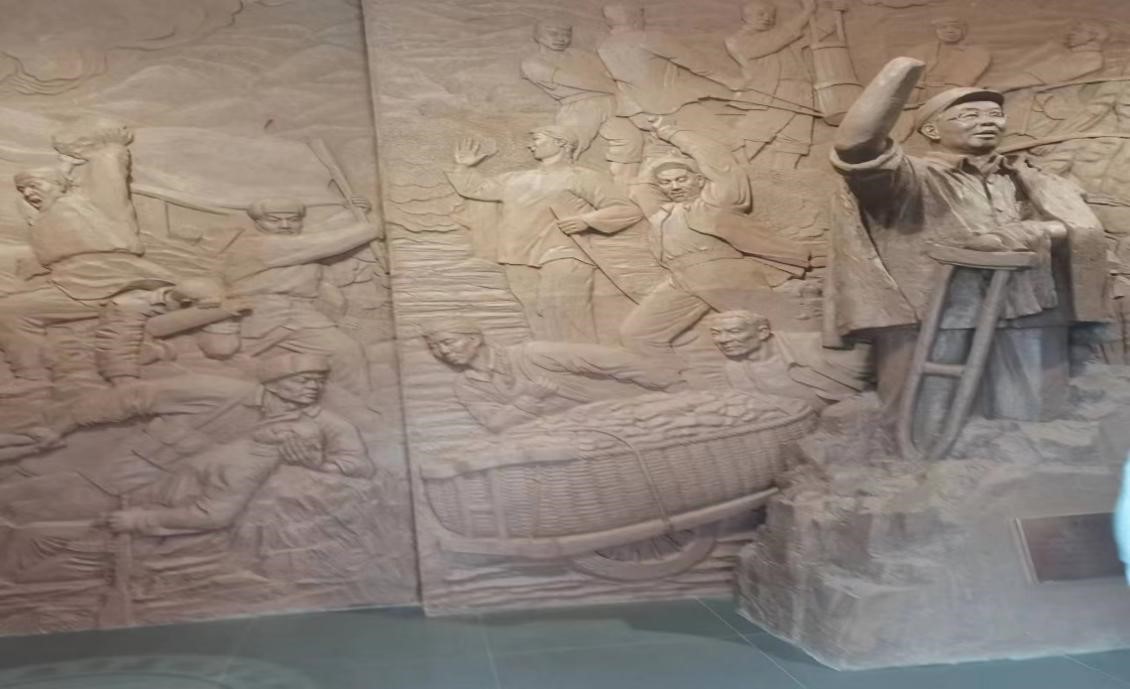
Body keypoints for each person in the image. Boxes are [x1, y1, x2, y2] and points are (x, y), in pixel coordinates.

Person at [825, 57, 1109, 424]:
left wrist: (1038, 231)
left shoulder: (1030, 176)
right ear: (931, 130)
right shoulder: (907, 177)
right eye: (969, 115)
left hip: (1028, 302)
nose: (987, 121)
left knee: (1037, 415)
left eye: (994, 114)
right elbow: (856, 147)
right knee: (926, 423)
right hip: (935, 310)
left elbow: (1076, 225)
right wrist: (899, 73)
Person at [35, 354, 373, 536]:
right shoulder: (216, 391)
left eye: (318, 382)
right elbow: (132, 397)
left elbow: (359, 466)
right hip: (127, 472)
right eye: (304, 381)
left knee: (58, 532)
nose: (313, 388)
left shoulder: (327, 424)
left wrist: (316, 466)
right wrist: (61, 426)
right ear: (274, 383)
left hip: (206, 496)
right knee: (44, 506)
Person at [0, 124, 220, 392]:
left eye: (34, 186)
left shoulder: (95, 203)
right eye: (22, 190)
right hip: (71, 282)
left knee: (9, 311)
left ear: (62, 184)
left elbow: (110, 170)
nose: (27, 194)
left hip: (107, 280)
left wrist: (106, 145)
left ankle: (32, 378)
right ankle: (35, 375)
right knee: (10, 305)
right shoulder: (45, 219)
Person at [620, 116, 814, 356]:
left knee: (786, 330)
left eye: (682, 179)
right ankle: (671, 377)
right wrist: (655, 153)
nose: (675, 187)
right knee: (637, 334)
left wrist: (670, 133)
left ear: (700, 180)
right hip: (681, 279)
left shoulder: (716, 203)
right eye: (666, 183)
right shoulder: (663, 213)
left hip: (724, 275)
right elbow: (640, 187)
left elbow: (718, 161)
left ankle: (816, 370)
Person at [447, 127, 643, 342]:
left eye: (537, 139)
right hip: (517, 256)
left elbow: (626, 210)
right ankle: (551, 359)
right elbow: (476, 189)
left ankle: (579, 358)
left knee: (566, 313)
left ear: (561, 143)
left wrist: (586, 221)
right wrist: (463, 167)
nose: (530, 145)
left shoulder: (583, 177)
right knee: (536, 316)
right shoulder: (515, 179)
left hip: (563, 253)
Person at [222, 197, 381, 403]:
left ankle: (358, 405)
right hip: (261, 312)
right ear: (257, 222)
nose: (285, 225)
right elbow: (324, 242)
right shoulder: (256, 245)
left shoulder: (291, 240)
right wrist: (376, 226)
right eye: (274, 220)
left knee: (346, 352)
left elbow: (317, 231)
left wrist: (351, 213)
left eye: (293, 219)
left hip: (301, 312)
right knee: (230, 363)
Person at [422, 317, 683, 432]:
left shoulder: (534, 354)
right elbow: (496, 424)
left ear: (475, 338)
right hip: (572, 438)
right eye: (434, 347)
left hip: (627, 417)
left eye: (447, 342)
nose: (442, 352)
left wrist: (675, 386)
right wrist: (529, 399)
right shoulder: (467, 385)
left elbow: (615, 360)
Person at [597, 3, 739, 147]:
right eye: (640, 15)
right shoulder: (647, 38)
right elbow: (693, 61)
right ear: (634, 18)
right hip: (672, 104)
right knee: (729, 139)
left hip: (641, 108)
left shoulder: (605, 47)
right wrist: (729, 80)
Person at [521, 20, 644, 182]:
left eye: (566, 34)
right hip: (580, 107)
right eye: (553, 33)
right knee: (567, 146)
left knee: (631, 140)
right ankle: (552, 184)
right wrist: (613, 88)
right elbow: (576, 81)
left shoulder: (580, 55)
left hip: (610, 103)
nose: (561, 38)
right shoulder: (533, 62)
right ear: (538, 36)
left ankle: (623, 184)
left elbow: (609, 72)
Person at [707, 309, 868, 409]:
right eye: (716, 333)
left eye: (734, 331)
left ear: (762, 332)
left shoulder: (813, 345)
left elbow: (872, 373)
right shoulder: (735, 370)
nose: (722, 340)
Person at [725, 0, 819, 169]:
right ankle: (735, 169)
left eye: (772, 15)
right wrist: (807, 11)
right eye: (761, 14)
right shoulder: (738, 40)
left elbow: (815, 35)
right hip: (775, 92)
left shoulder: (781, 37)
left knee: (795, 137)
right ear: (745, 17)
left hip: (800, 90)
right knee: (755, 132)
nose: (767, 18)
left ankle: (784, 174)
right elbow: (778, 38)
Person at [905, 17, 991, 103]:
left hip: (951, 94)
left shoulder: (977, 53)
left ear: (963, 31)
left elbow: (960, 81)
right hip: (917, 95)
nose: (950, 31)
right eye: (943, 27)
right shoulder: (919, 50)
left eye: (956, 27)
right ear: (935, 31)